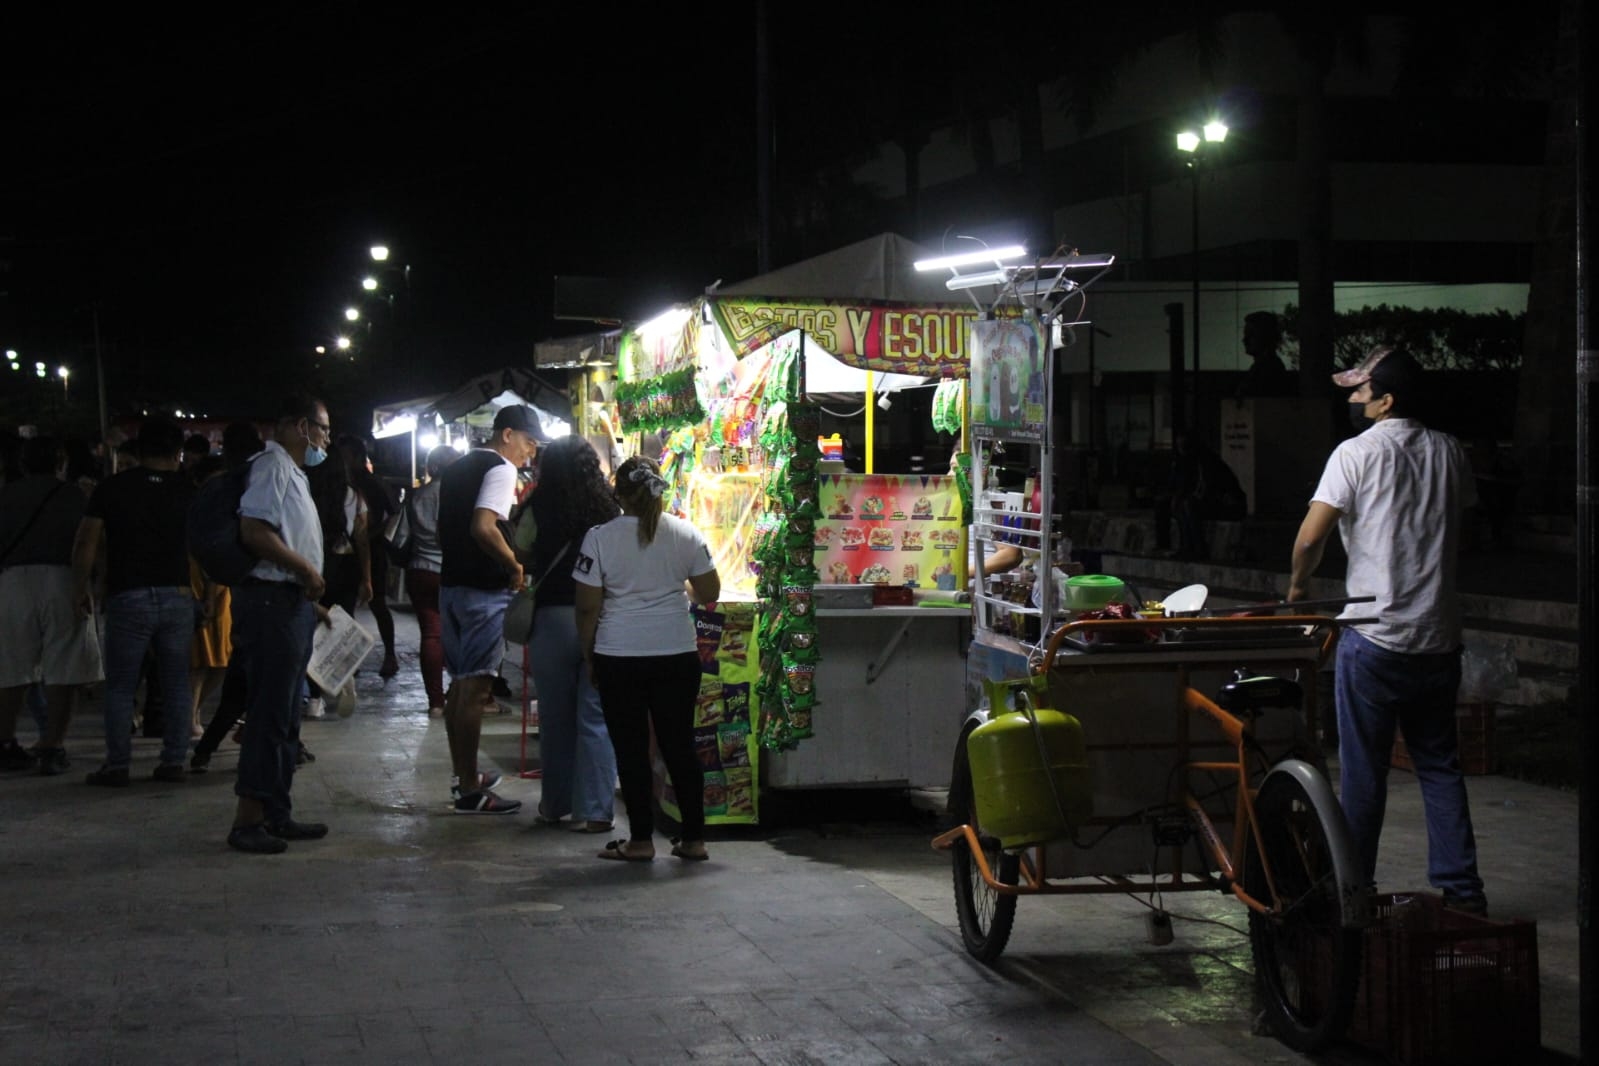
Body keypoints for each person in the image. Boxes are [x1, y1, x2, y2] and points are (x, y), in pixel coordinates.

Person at [1287, 346, 1486, 914]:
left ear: (1386, 401)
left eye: (1360, 391)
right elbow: (1459, 528)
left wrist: (1299, 590)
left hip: (1373, 637)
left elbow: (1309, 538)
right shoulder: (1450, 451)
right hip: (1439, 637)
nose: (1353, 399)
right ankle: (1465, 895)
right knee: (1440, 767)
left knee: (1364, 774)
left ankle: (1353, 892)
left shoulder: (1355, 454)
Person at [574, 454, 720, 862]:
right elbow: (709, 592)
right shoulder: (685, 533)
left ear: (618, 493)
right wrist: (678, 593)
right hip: (676, 652)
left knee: (631, 748)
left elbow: (587, 606)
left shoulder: (599, 538)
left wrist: (589, 655)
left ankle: (640, 841)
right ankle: (693, 839)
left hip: (618, 654)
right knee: (680, 745)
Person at [225, 394, 331, 854]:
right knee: (269, 715)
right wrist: (304, 571)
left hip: (290, 604)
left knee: (287, 718)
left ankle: (276, 813)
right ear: (299, 426)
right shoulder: (270, 468)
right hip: (270, 603)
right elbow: (255, 532)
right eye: (322, 429)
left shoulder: (294, 473)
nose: (325, 440)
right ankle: (248, 820)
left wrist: (309, 597)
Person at [72, 416, 197, 785]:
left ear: (139, 450)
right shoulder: (188, 490)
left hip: (128, 595)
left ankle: (117, 764)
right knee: (176, 682)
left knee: (122, 684)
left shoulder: (112, 488)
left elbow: (86, 542)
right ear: (177, 452)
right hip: (177, 595)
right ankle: (173, 761)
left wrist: (80, 587)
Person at [437, 404, 543, 814]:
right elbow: (483, 527)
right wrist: (513, 564)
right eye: (528, 442)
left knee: (460, 687)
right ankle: (468, 788)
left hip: (452, 589)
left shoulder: (459, 467)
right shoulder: (501, 469)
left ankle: (464, 775)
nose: (529, 453)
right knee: (476, 689)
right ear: (507, 435)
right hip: (482, 592)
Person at [523, 434, 620, 832]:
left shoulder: (537, 505)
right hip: (600, 619)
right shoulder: (609, 508)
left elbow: (519, 548)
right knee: (596, 716)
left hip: (551, 619)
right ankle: (596, 811)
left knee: (555, 717)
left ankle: (555, 804)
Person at [0, 436, 103, 775]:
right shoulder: (74, 495)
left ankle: (5, 741)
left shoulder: (7, 495)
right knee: (65, 665)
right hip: (63, 578)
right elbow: (87, 540)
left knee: (12, 667)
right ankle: (52, 744)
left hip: (12, 580)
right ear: (60, 463)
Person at [302, 437, 369, 719]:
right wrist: (367, 577)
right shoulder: (353, 496)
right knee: (341, 625)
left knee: (313, 630)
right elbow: (362, 539)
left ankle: (314, 698)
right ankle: (343, 679)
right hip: (347, 567)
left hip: (316, 567)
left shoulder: (307, 492)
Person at [405, 445, 460, 718]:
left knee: (430, 634)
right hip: (448, 570)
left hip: (418, 569)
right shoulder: (454, 494)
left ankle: (435, 702)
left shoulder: (418, 495)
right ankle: (458, 694)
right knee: (458, 635)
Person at [340, 435, 402, 678]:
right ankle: (349, 660)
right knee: (345, 607)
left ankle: (390, 654)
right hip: (348, 553)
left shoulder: (372, 483)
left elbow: (394, 515)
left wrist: (372, 535)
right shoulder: (342, 484)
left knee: (378, 604)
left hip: (373, 552)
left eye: (346, 457)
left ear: (356, 457)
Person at [1235, 310, 1294, 398]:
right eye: (1246, 334)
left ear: (1265, 336)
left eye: (1251, 334)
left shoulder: (1268, 368)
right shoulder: (1266, 366)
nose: (1244, 340)